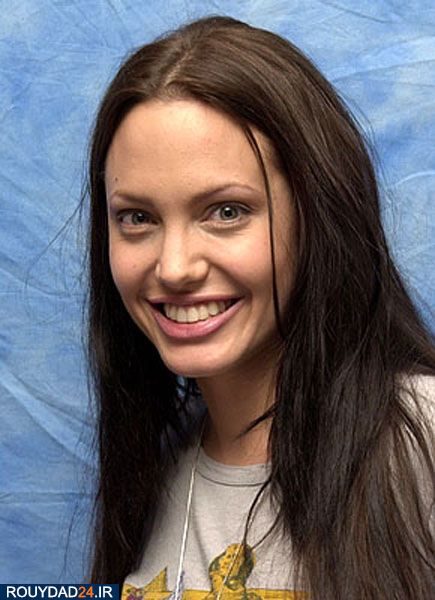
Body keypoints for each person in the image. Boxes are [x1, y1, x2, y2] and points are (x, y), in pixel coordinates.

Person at [86, 15, 435, 599]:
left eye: (226, 211)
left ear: (318, 217)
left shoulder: (421, 437)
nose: (174, 267)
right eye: (137, 218)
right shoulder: (156, 471)